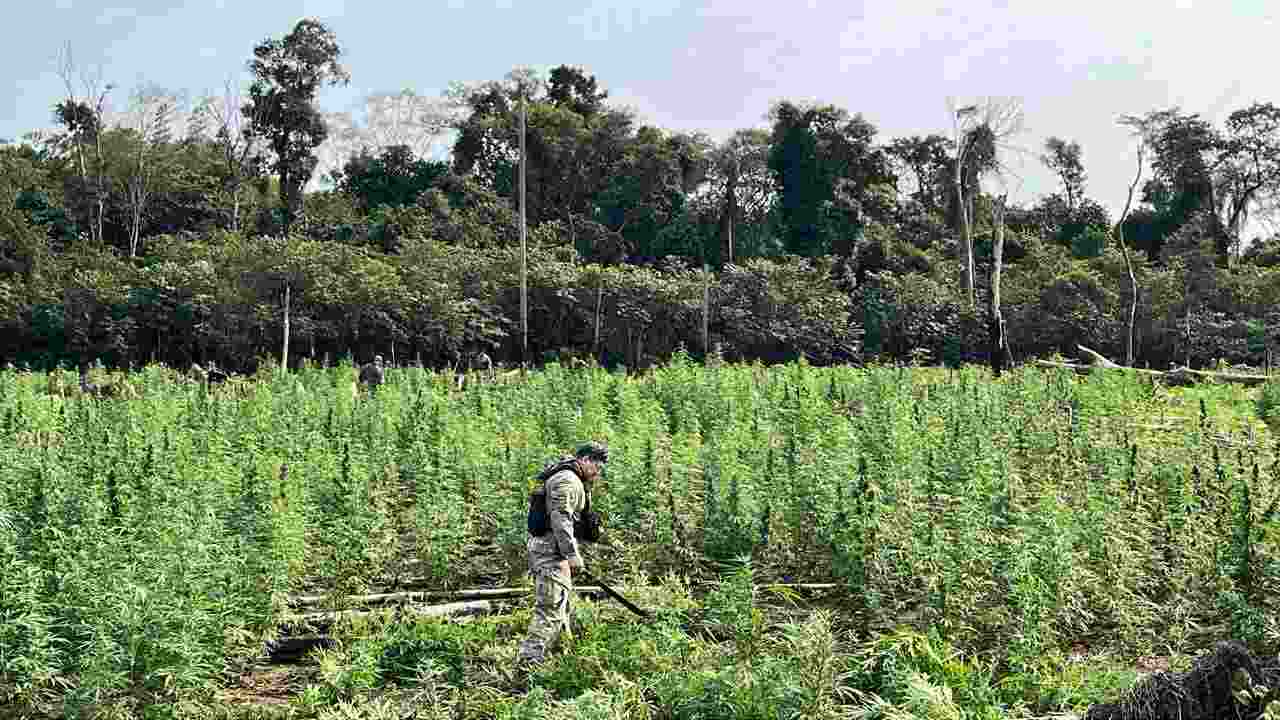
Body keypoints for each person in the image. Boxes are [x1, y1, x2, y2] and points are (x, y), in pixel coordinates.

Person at [517, 441, 609, 666]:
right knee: (549, 610)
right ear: (585, 459)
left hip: (554, 552)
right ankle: (527, 665)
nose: (598, 471)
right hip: (551, 553)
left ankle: (561, 660)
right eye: (597, 465)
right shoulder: (567, 480)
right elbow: (561, 519)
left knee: (561, 605)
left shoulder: (572, 478)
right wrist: (571, 554)